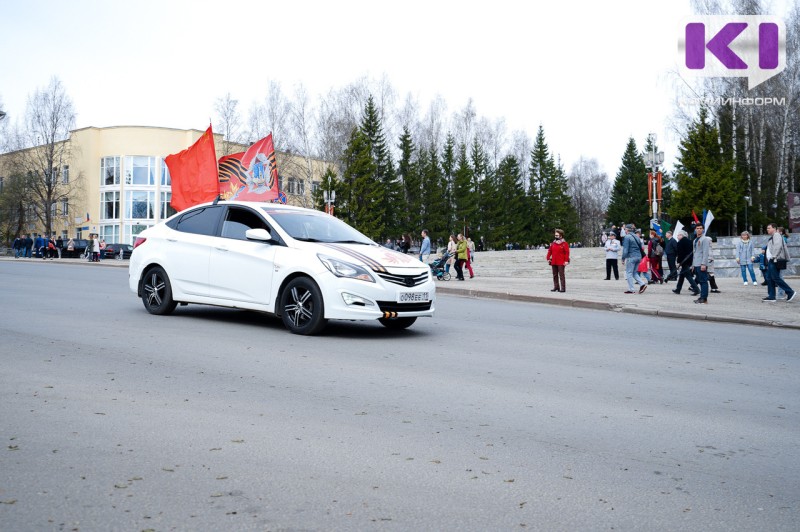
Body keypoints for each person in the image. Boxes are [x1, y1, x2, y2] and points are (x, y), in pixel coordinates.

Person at [763, 222, 795, 302]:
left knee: (775, 278)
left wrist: (774, 256)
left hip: (774, 260)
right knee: (770, 278)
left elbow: (778, 246)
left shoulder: (776, 235)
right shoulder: (773, 236)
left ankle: (790, 292)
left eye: (769, 228)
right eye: (767, 228)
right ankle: (771, 296)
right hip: (772, 260)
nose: (767, 229)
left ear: (774, 228)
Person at [621, 224, 647, 294]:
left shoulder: (627, 237)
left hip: (631, 256)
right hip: (638, 257)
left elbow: (625, 249)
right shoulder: (636, 236)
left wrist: (623, 258)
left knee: (629, 272)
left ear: (627, 230)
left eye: (625, 229)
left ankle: (631, 289)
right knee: (634, 272)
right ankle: (642, 284)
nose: (625, 231)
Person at [672, 230, 699, 296]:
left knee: (688, 276)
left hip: (684, 261)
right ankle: (678, 289)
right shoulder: (690, 241)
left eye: (678, 235)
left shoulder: (680, 242)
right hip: (689, 260)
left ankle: (696, 289)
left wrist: (678, 262)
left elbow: (680, 254)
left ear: (681, 235)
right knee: (682, 275)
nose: (677, 236)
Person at [691, 223, 712, 304]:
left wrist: (704, 264)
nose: (699, 229)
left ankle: (704, 298)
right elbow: (695, 253)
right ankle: (702, 296)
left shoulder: (705, 239)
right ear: (695, 229)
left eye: (700, 228)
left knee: (703, 281)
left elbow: (705, 252)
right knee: (700, 281)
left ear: (703, 229)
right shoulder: (695, 240)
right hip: (696, 263)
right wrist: (693, 265)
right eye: (697, 228)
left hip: (701, 264)